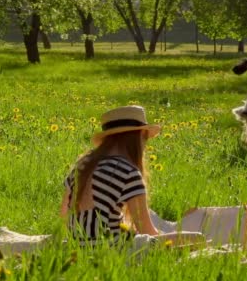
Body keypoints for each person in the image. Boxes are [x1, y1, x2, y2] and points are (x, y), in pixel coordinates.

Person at [60, 105, 204, 246]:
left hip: (75, 245)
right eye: (146, 138)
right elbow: (147, 231)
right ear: (140, 136)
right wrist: (161, 236)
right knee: (197, 238)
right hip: (111, 248)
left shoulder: (82, 164)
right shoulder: (128, 171)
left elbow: (64, 216)